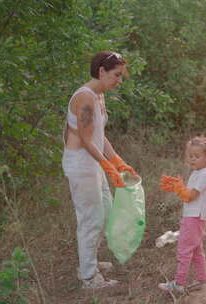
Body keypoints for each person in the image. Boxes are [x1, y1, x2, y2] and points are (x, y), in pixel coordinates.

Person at [62, 51, 138, 289]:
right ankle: (88, 277)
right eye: (116, 75)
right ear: (102, 71)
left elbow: (99, 136)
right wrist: (107, 166)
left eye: (121, 76)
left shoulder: (99, 95)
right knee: (91, 219)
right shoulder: (84, 97)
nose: (119, 81)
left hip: (93, 162)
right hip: (80, 164)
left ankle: (89, 261)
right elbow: (86, 139)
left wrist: (119, 162)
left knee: (104, 212)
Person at [158, 135, 206, 293]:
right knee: (197, 250)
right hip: (193, 217)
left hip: (194, 218)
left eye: (197, 156)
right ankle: (202, 280)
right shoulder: (198, 172)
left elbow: (191, 196)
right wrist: (176, 187)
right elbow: (188, 194)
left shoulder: (204, 175)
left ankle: (179, 283)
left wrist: (179, 188)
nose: (192, 159)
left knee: (184, 250)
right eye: (190, 156)